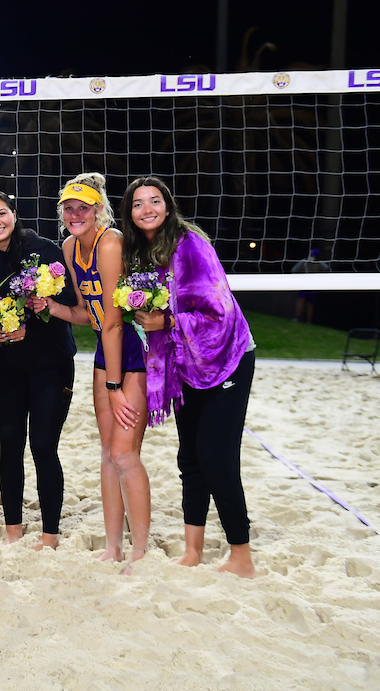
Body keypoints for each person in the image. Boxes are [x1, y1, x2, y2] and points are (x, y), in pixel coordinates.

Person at [121, 177, 257, 578]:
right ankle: (193, 550)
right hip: (186, 362)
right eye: (138, 203)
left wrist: (166, 320)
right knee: (190, 459)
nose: (147, 209)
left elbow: (220, 313)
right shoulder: (143, 255)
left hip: (227, 358)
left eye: (155, 201)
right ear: (129, 212)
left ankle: (241, 557)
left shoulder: (191, 245)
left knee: (217, 457)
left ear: (168, 206)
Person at [41, 173, 151, 570]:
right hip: (107, 349)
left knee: (125, 454)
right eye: (68, 208)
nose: (74, 214)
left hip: (133, 349)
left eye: (82, 208)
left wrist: (115, 384)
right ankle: (113, 546)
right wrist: (50, 307)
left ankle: (140, 550)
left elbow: (117, 322)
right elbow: (90, 315)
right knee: (107, 454)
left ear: (98, 210)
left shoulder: (110, 242)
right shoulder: (70, 247)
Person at [0, 190, 78, 551]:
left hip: (50, 363)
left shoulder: (45, 251)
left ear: (14, 215)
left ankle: (50, 535)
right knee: (9, 445)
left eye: (2, 213)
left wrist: (29, 325)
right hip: (7, 366)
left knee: (44, 446)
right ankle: (13, 528)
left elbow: (67, 305)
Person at [291, 248, 329, 323]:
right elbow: (294, 270)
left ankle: (309, 320)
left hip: (313, 285)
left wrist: (317, 264)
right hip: (304, 284)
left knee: (310, 302)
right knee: (301, 299)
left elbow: (327, 268)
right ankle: (297, 317)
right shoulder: (304, 262)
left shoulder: (319, 264)